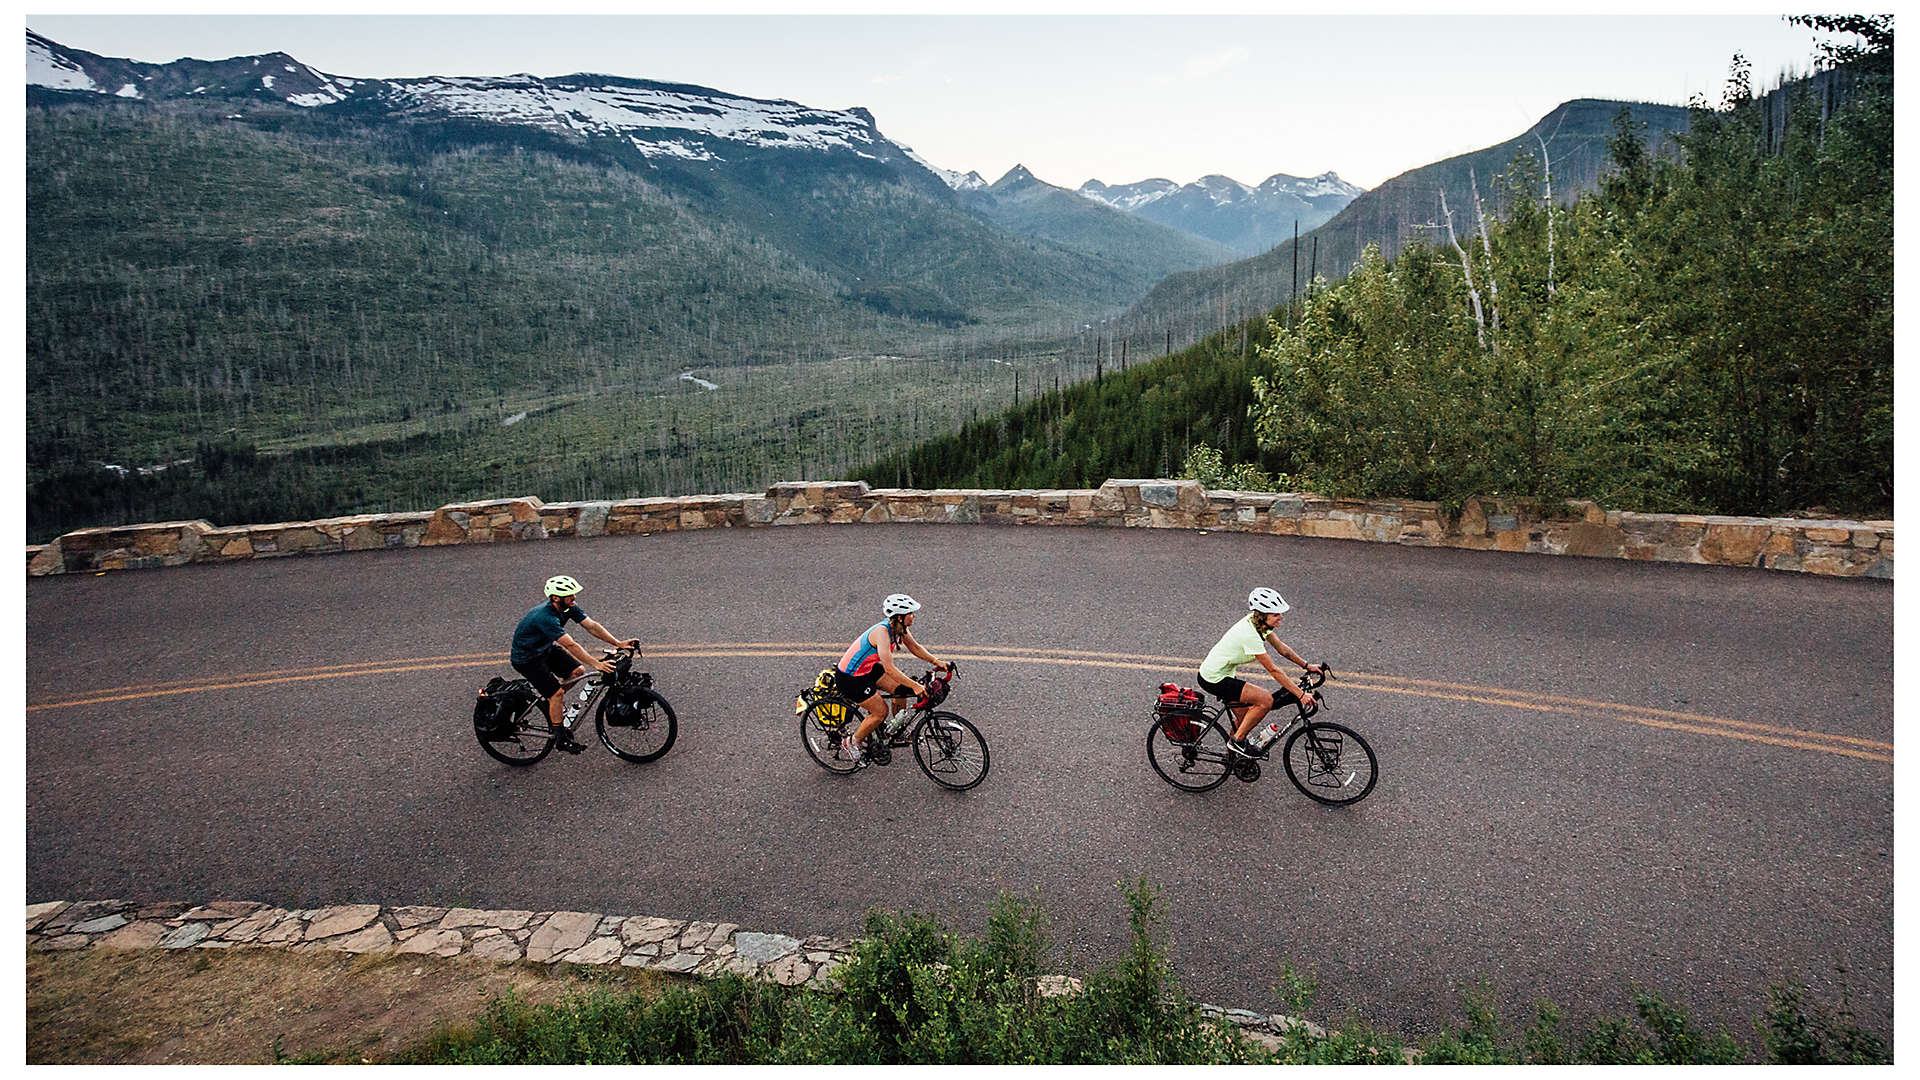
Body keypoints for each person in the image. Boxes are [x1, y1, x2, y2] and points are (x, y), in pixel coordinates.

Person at [509, 575, 640, 753]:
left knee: (578, 671)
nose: (574, 598)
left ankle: (550, 702)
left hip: (544, 649)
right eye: (570, 595)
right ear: (556, 598)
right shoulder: (545, 617)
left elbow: (592, 626)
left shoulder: (568, 608)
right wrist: (597, 664)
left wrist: (618, 643)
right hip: (527, 659)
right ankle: (560, 737)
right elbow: (571, 645)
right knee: (557, 693)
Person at [1197, 587, 1320, 755]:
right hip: (1214, 678)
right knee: (1265, 700)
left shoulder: (1259, 624)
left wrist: (1306, 666)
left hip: (1224, 673)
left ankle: (1232, 760)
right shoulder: (1250, 634)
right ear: (1263, 615)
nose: (1280, 617)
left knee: (1244, 718)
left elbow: (1281, 649)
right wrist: (1300, 695)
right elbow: (1273, 670)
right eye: (1276, 614)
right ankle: (1237, 741)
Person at [835, 593, 950, 768]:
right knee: (880, 711)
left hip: (868, 669)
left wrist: (936, 662)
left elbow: (915, 647)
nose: (913, 616)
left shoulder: (898, 627)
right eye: (910, 613)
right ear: (899, 617)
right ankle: (852, 742)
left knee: (902, 689)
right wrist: (917, 686)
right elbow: (889, 668)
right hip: (851, 678)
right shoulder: (881, 632)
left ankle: (897, 731)